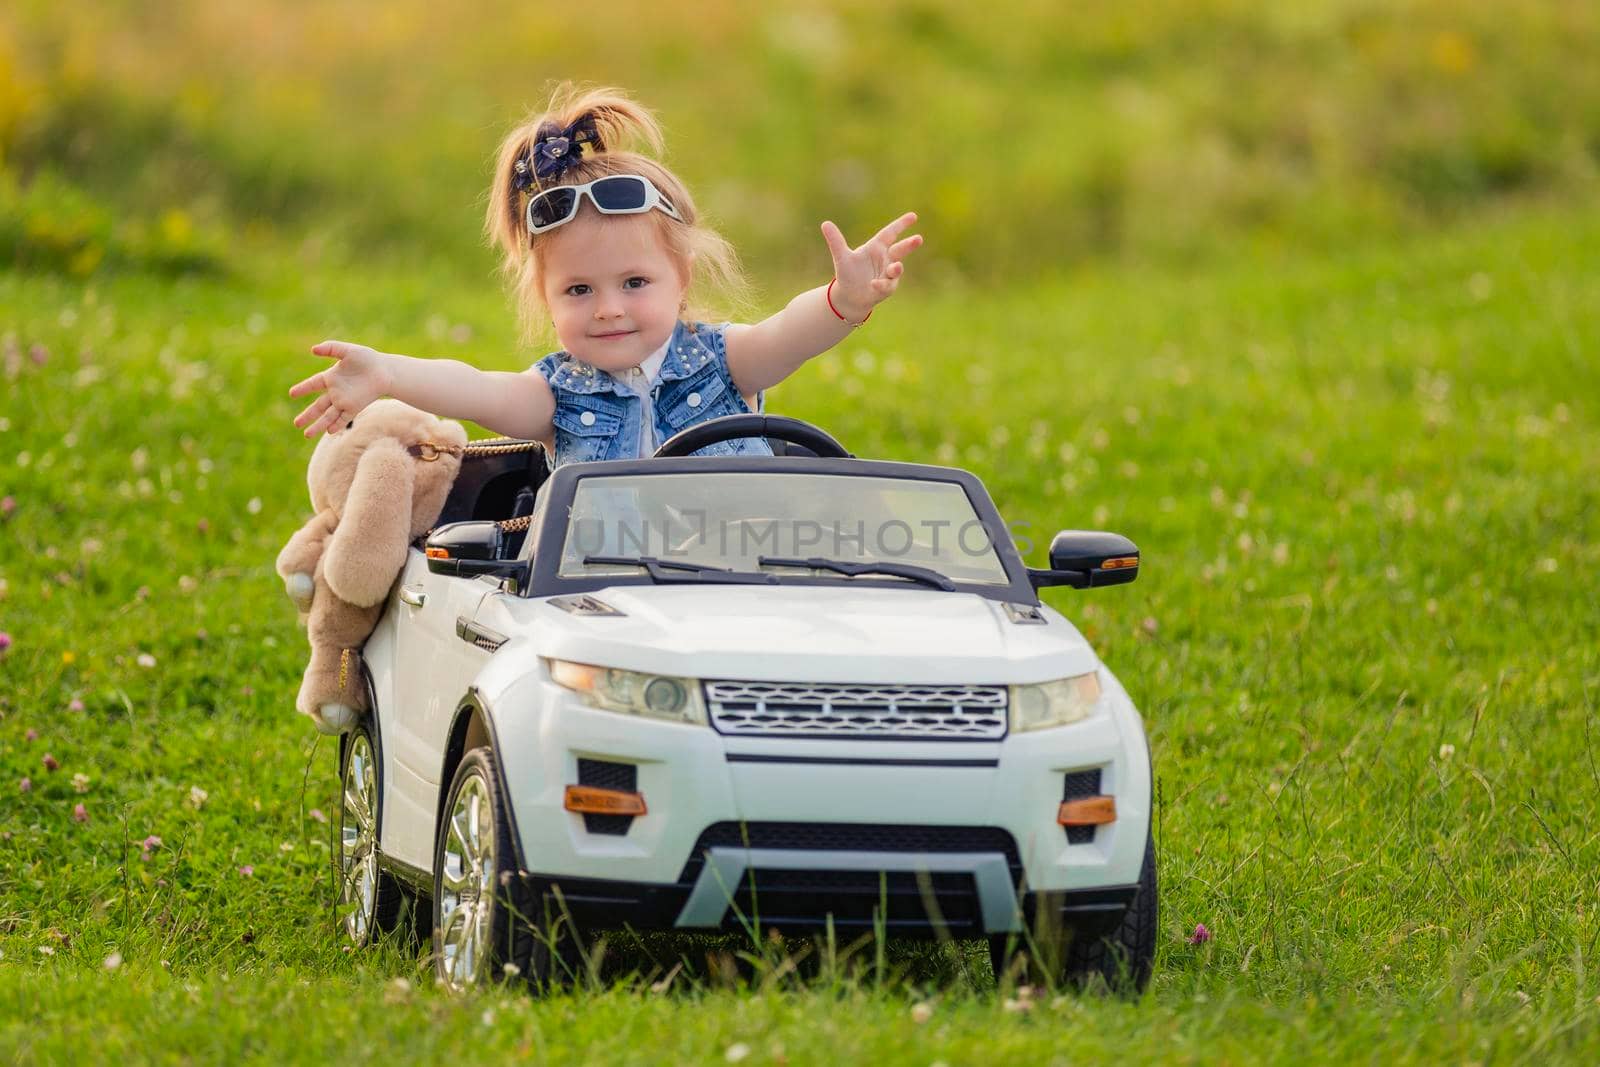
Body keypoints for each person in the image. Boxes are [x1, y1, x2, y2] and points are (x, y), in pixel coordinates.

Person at [288, 84, 922, 471]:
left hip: (741, 585)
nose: (609, 309)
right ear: (547, 298)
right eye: (579, 290)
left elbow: (790, 332)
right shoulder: (556, 394)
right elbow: (474, 388)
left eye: (635, 284)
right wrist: (389, 374)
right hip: (604, 604)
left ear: (682, 277)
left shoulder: (725, 362)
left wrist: (843, 300)